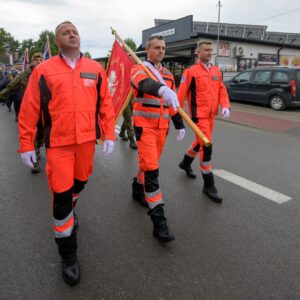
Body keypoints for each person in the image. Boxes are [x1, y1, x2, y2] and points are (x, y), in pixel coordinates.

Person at [18, 21, 115, 286]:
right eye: (65, 32)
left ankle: (71, 208)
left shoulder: (95, 69)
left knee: (79, 184)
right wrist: (27, 144)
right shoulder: (43, 70)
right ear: (56, 39)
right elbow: (29, 109)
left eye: (75, 31)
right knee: (61, 196)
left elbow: (105, 103)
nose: (72, 34)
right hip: (58, 145)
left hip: (86, 143)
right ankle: (68, 255)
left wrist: (109, 134)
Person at [131, 35, 185, 243]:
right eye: (157, 47)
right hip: (144, 128)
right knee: (152, 170)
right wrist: (161, 89)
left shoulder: (169, 75)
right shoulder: (139, 69)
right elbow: (143, 84)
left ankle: (137, 188)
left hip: (162, 129)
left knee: (147, 166)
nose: (161, 51)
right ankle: (159, 222)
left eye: (163, 48)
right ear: (148, 49)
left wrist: (178, 123)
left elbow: (172, 103)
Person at [177, 41, 230, 203]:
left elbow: (221, 89)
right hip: (198, 117)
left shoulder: (215, 70)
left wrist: (225, 105)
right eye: (206, 50)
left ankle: (185, 163)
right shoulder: (191, 72)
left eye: (210, 50)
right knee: (206, 145)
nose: (209, 52)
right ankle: (208, 185)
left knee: (200, 142)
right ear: (198, 53)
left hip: (211, 116)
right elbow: (180, 95)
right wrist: (176, 117)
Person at [0, 53, 44, 173]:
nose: (40, 61)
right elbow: (11, 86)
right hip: (29, 109)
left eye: (42, 59)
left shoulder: (48, 73)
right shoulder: (25, 75)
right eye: (37, 60)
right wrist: (1, 97)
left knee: (42, 133)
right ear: (32, 62)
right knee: (31, 133)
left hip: (44, 110)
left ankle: (38, 148)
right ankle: (34, 158)